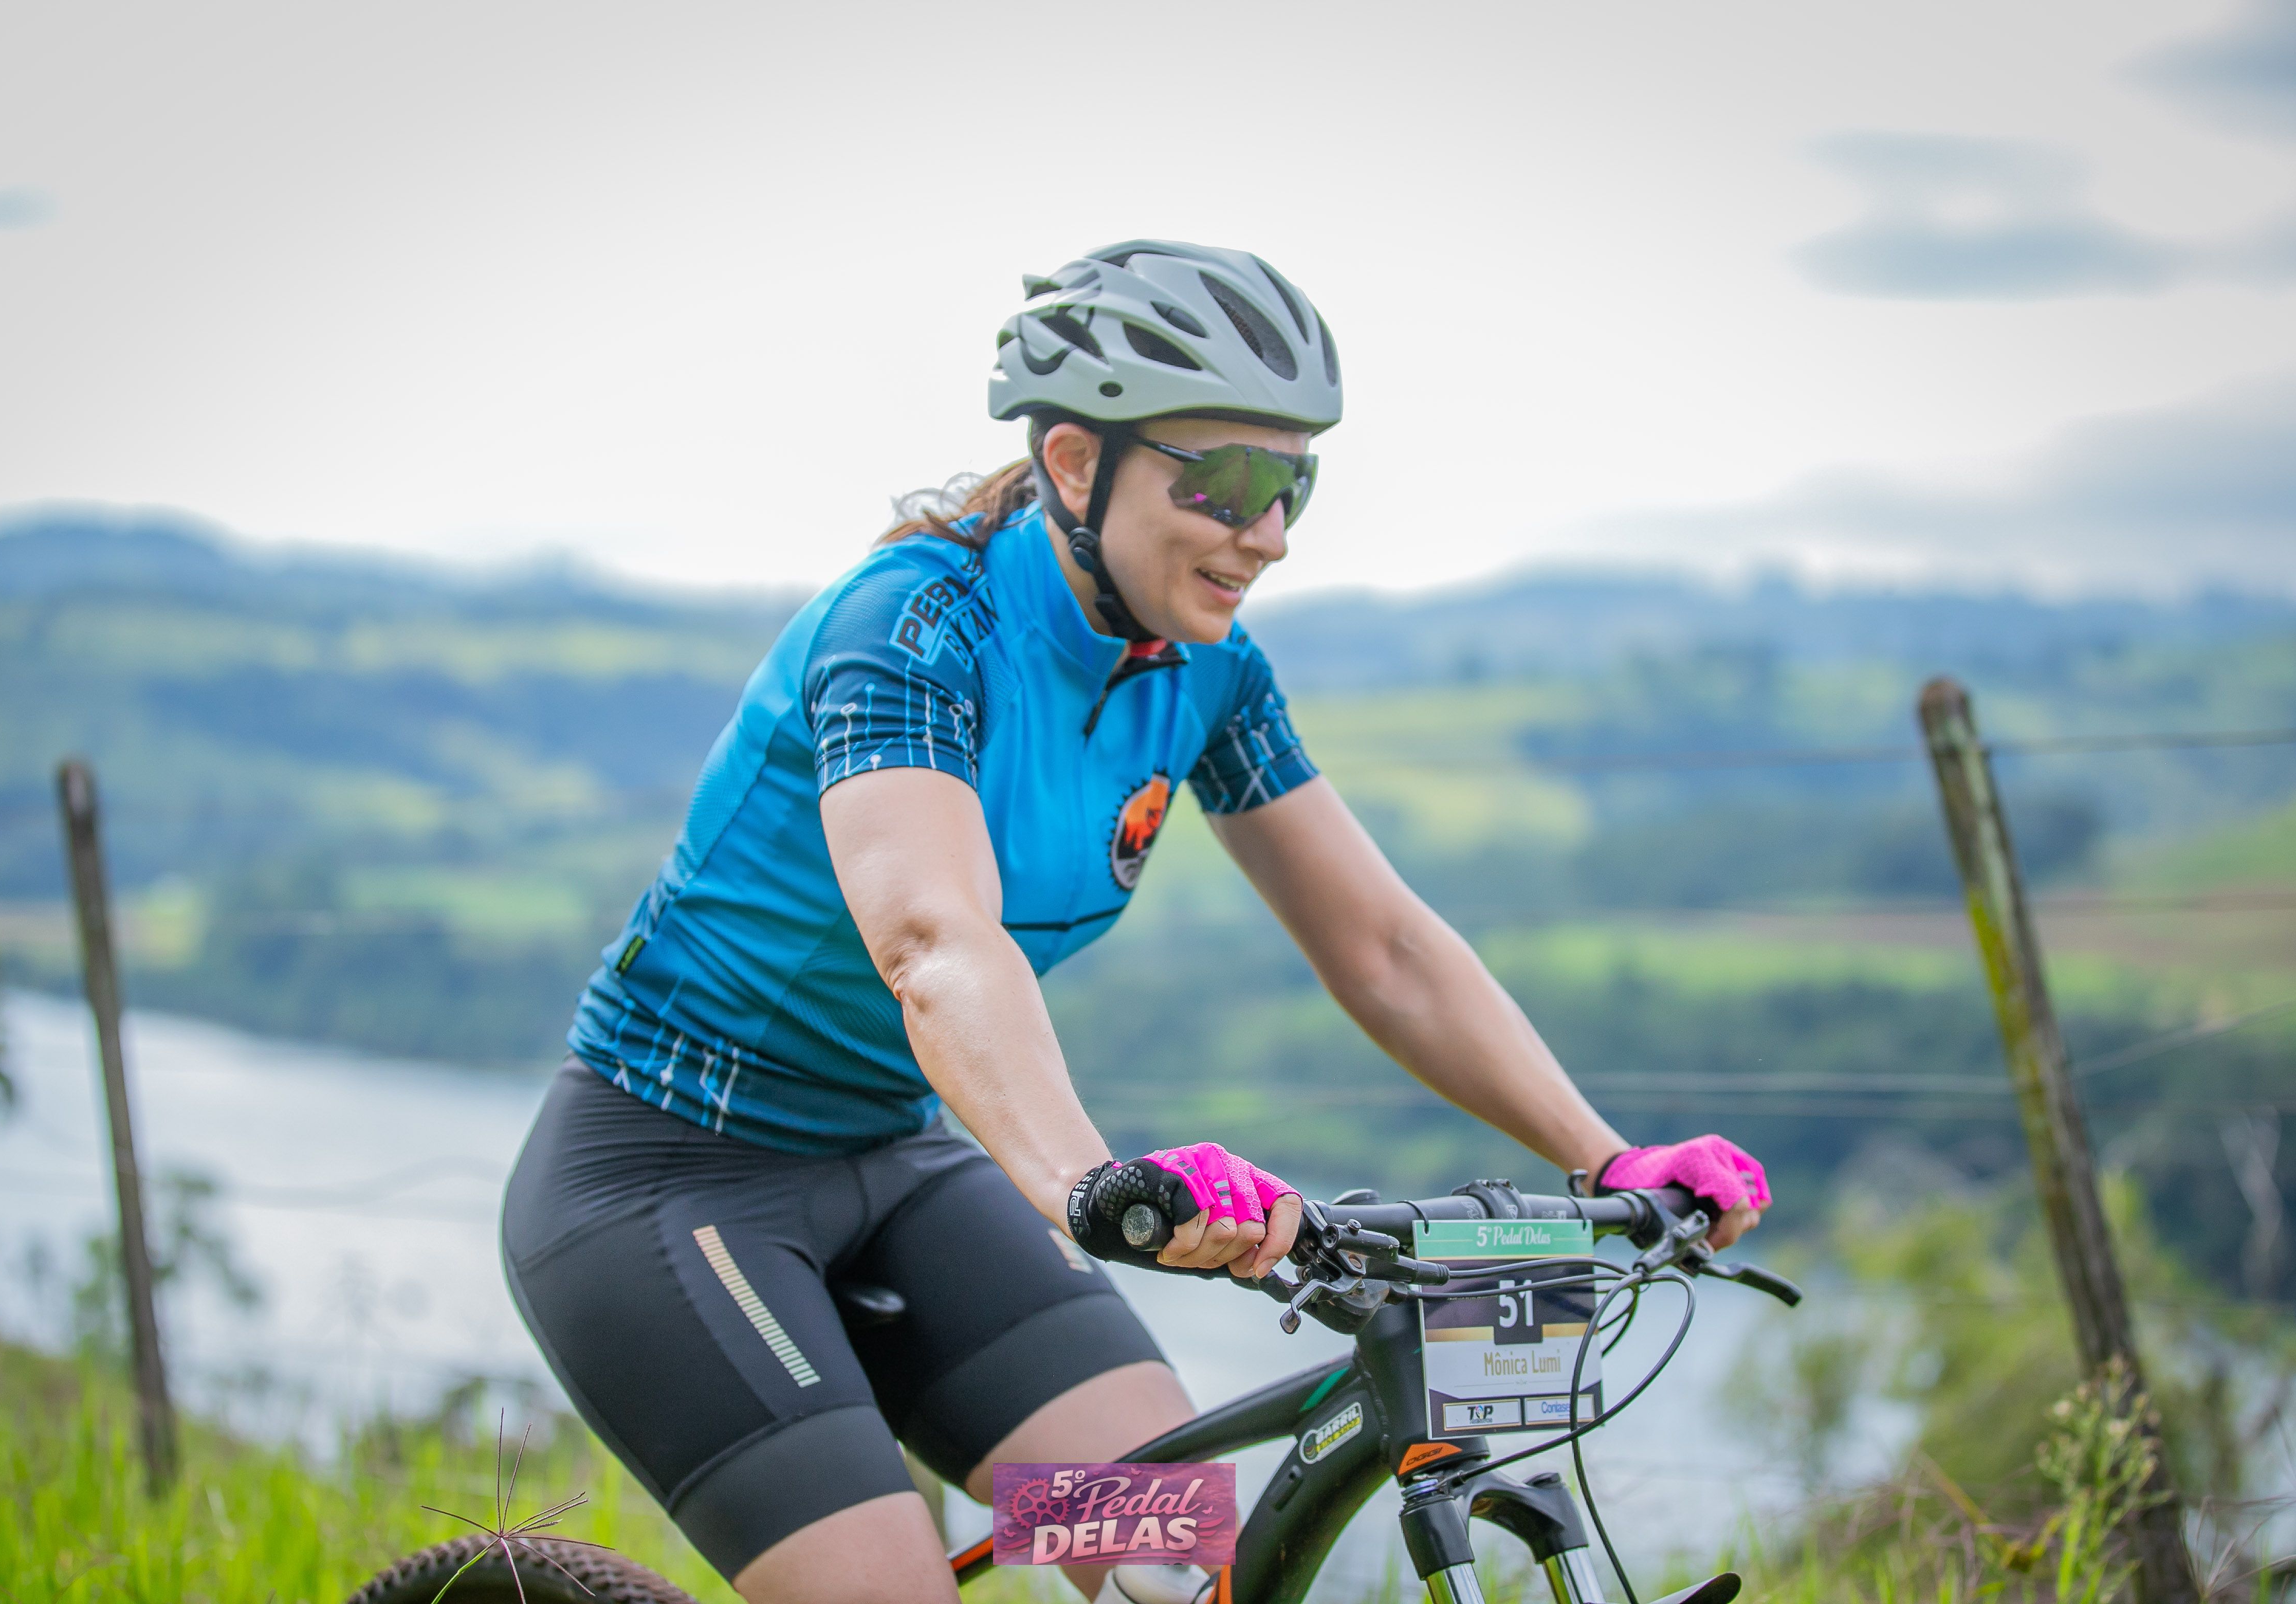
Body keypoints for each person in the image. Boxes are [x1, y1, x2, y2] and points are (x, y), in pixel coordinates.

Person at [499, 239, 1771, 1604]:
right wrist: (1088, 1185)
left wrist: (1606, 1159)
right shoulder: (910, 630)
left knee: (1170, 1561)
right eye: (1226, 483)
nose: (1269, 534)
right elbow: (934, 941)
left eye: (1294, 486)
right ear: (1072, 463)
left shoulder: (1208, 672)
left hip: (899, 1164)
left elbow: (1385, 949)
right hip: (669, 1183)